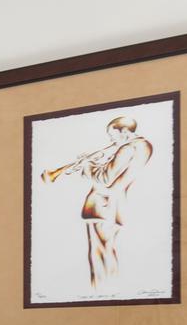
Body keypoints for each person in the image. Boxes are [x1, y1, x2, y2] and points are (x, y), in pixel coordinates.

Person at [41, 114, 153, 289]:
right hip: (116, 205)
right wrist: (95, 162)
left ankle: (101, 291)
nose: (110, 139)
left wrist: (87, 165)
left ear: (123, 131)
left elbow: (106, 177)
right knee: (108, 251)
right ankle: (111, 290)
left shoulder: (127, 148)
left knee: (98, 254)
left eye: (112, 134)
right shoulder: (144, 146)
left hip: (101, 204)